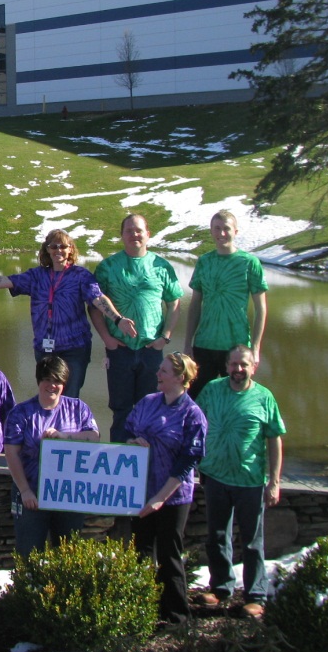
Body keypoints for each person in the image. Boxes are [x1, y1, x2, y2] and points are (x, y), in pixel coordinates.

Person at [0, 229, 136, 399]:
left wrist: (117, 319)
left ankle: (67, 435)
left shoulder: (81, 276)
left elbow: (97, 299)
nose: (58, 250)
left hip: (74, 349)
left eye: (63, 246)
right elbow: (6, 281)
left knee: (69, 398)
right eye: (53, 246)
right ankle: (48, 434)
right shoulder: (37, 276)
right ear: (47, 250)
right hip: (45, 349)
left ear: (71, 250)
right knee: (48, 397)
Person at [196, 345, 286, 618]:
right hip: (214, 476)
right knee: (217, 536)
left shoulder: (264, 397)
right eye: (234, 364)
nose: (238, 370)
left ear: (253, 367)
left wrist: (275, 481)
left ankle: (255, 595)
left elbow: (275, 438)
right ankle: (221, 587)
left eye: (243, 365)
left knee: (251, 541)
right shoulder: (212, 390)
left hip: (250, 480)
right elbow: (194, 422)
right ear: (226, 366)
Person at [124, 351, 207, 626]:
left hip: (173, 496)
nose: (157, 375)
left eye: (164, 372)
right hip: (141, 491)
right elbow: (127, 432)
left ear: (181, 378)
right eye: (159, 370)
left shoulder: (192, 415)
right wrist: (134, 441)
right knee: (140, 552)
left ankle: (177, 618)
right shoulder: (148, 403)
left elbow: (187, 463)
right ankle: (141, 610)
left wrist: (160, 498)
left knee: (170, 556)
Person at [91, 213, 184, 442]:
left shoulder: (161, 266)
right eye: (129, 231)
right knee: (121, 409)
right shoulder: (108, 267)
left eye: (139, 230)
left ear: (147, 234)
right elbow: (94, 305)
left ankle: (149, 461)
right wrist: (107, 340)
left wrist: (166, 337)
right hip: (119, 349)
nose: (134, 235)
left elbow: (174, 303)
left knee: (151, 407)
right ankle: (119, 461)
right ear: (122, 236)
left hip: (151, 350)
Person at [3, 355, 99, 556]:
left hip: (69, 494)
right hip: (33, 493)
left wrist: (64, 436)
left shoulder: (78, 409)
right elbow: (12, 454)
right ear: (39, 380)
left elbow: (94, 437)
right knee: (28, 554)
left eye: (57, 381)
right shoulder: (21, 413)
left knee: (67, 554)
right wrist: (25, 490)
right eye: (47, 379)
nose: (52, 385)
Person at [182, 210, 269, 400]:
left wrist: (255, 347)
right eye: (217, 229)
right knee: (198, 400)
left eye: (226, 229)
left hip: (236, 346)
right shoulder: (204, 261)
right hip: (204, 344)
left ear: (235, 231)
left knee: (235, 400)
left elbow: (261, 308)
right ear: (211, 231)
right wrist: (188, 343)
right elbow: (195, 304)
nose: (221, 233)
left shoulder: (249, 263)